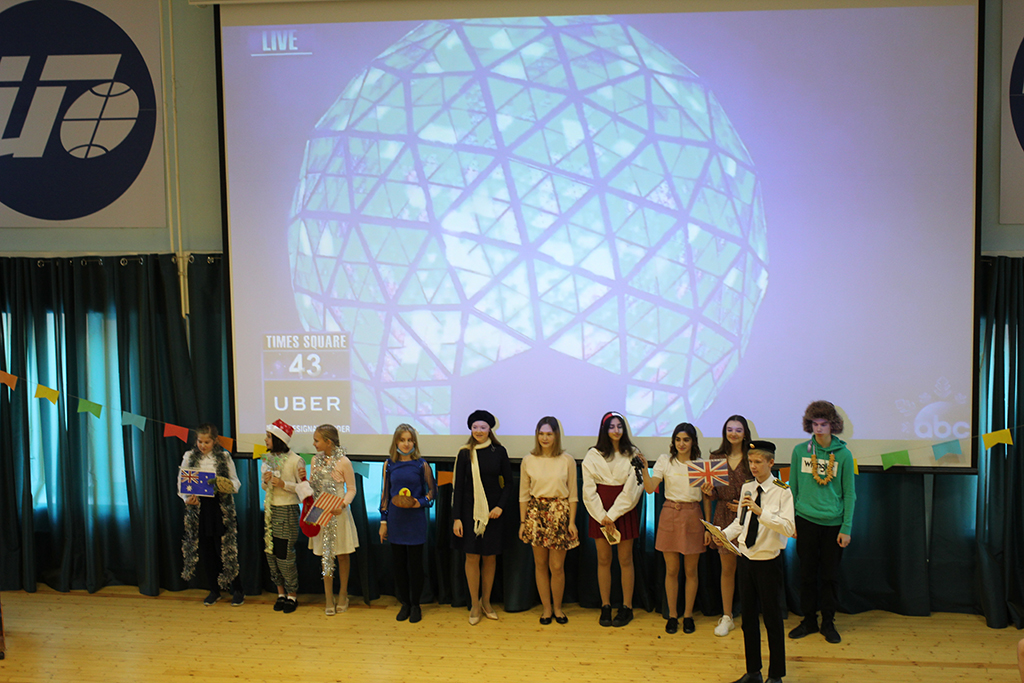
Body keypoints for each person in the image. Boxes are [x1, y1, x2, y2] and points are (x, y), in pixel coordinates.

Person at [716, 440, 795, 683]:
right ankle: (753, 672)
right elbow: (741, 522)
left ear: (771, 463)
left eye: (758, 462)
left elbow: (788, 527)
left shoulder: (782, 490)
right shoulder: (747, 487)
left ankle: (776, 675)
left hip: (768, 561)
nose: (753, 466)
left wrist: (762, 513)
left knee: (772, 619)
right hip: (746, 559)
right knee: (748, 619)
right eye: (750, 462)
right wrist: (722, 534)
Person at [788, 401, 856, 644]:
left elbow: (849, 494)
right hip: (805, 520)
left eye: (823, 424)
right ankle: (808, 620)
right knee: (806, 575)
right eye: (814, 424)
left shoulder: (844, 455)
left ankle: (828, 622)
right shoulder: (800, 451)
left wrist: (846, 527)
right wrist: (791, 522)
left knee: (830, 576)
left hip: (833, 524)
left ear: (832, 425)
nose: (819, 428)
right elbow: (792, 489)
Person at [638, 422, 712, 634]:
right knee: (671, 570)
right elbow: (650, 488)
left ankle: (688, 615)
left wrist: (708, 527)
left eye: (686, 440)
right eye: (678, 440)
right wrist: (644, 469)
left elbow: (707, 499)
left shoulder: (700, 464)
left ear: (693, 442)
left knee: (691, 571)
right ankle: (672, 615)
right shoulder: (665, 461)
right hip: (670, 513)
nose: (681, 444)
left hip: (693, 515)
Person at [582, 411, 644, 627]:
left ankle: (627, 607)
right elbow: (588, 489)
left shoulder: (633, 454)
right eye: (611, 427)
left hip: (624, 510)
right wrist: (602, 516)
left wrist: (613, 514)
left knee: (625, 559)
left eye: (619, 426)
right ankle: (606, 605)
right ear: (604, 429)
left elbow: (634, 487)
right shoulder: (593, 455)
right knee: (603, 559)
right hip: (599, 512)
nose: (616, 431)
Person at [451, 409, 513, 625]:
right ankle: (474, 605)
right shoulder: (464, 453)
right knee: (471, 557)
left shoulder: (499, 451)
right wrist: (457, 518)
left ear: (490, 430)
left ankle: (486, 601)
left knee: (490, 557)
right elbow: (458, 488)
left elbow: (508, 483)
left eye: (483, 427)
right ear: (471, 429)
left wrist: (500, 507)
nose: (478, 431)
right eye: (475, 427)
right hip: (469, 514)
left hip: (493, 514)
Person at [519, 416, 579, 625]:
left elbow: (573, 495)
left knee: (557, 566)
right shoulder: (528, 460)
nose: (545, 438)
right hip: (535, 514)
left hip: (559, 513)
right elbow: (523, 495)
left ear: (556, 436)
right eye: (541, 434)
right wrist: (523, 522)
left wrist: (572, 522)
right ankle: (546, 609)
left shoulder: (567, 460)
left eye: (549, 434)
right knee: (540, 564)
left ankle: (558, 608)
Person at [178, 423, 244, 606]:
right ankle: (214, 590)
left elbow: (236, 483)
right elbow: (182, 483)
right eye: (200, 441)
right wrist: (186, 498)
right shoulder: (189, 457)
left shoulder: (224, 457)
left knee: (226, 550)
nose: (202, 445)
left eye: (206, 442)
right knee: (206, 551)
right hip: (199, 508)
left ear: (215, 441)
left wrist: (226, 485)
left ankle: (237, 589)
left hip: (220, 508)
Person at [702, 415, 754, 636]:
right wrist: (708, 491)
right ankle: (727, 616)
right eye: (730, 429)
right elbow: (713, 494)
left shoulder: (752, 457)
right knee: (727, 569)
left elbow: (762, 489)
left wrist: (743, 506)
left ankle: (751, 614)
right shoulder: (716, 457)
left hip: (749, 518)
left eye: (738, 430)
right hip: (723, 517)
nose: (733, 433)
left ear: (745, 433)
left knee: (750, 569)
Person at [380, 424, 436, 624]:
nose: (406, 444)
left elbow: (432, 492)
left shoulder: (422, 465)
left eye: (409, 440)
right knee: (399, 565)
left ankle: (416, 605)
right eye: (402, 440)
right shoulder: (388, 465)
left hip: (415, 521)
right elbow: (385, 494)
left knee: (415, 565)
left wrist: (419, 503)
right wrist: (383, 521)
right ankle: (404, 603)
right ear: (396, 442)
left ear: (414, 443)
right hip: (396, 521)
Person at [306, 424, 359, 616]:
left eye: (317, 440)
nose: (314, 444)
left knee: (342, 554)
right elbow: (313, 486)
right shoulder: (315, 460)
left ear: (328, 442)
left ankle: (343, 594)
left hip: (338, 512)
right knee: (325, 555)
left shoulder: (344, 462)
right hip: (321, 512)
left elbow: (351, 489)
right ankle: (328, 596)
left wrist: (342, 505)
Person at [260, 418, 307, 613]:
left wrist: (283, 484)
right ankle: (280, 593)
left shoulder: (296, 460)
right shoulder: (268, 459)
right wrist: (266, 481)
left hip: (287, 510)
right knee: (271, 554)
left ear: (278, 439)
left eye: (269, 437)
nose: (265, 440)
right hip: (270, 509)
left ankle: (292, 594)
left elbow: (304, 489)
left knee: (285, 554)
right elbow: (265, 487)